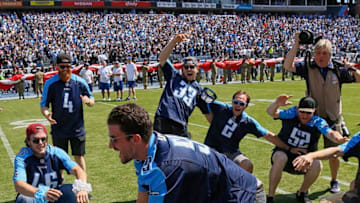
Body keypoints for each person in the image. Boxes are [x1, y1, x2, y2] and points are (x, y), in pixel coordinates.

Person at [107, 103, 266, 203]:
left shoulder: (164, 167)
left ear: (135, 139)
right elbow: (144, 194)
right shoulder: (145, 152)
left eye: (114, 139)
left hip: (246, 196)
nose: (110, 145)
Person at [284, 33, 360, 193]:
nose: (320, 56)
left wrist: (351, 69)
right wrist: (296, 43)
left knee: (334, 154)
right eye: (318, 53)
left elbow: (359, 79)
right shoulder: (308, 67)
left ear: (330, 55)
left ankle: (334, 180)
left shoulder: (338, 70)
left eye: (324, 53)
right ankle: (305, 187)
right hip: (313, 117)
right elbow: (288, 65)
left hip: (333, 118)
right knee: (309, 151)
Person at [266, 94, 348, 203]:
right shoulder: (291, 114)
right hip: (285, 153)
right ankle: (270, 196)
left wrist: (339, 139)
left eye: (308, 112)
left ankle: (302, 192)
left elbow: (330, 133)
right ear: (297, 109)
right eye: (302, 111)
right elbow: (271, 112)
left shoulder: (317, 121)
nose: (304, 115)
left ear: (314, 111)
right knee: (280, 157)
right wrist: (276, 104)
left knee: (317, 164)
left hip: (304, 159)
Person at [204, 90, 301, 173]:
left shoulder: (247, 121)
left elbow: (269, 136)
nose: (238, 105)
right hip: (211, 149)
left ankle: (239, 191)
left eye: (241, 104)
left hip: (231, 152)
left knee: (247, 165)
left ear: (246, 106)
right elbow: (203, 100)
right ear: (232, 102)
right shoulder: (221, 108)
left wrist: (288, 148)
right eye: (235, 102)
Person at [41, 53, 95, 171]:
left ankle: (82, 183)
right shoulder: (50, 84)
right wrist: (47, 115)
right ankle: (60, 183)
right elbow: (44, 105)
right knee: (59, 158)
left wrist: (88, 101)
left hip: (77, 127)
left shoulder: (79, 82)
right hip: (59, 127)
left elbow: (92, 100)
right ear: (57, 67)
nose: (65, 70)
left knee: (79, 156)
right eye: (62, 67)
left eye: (68, 67)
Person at [13, 123, 91, 203]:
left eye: (43, 139)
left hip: (55, 193)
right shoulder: (22, 158)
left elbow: (78, 170)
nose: (40, 143)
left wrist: (81, 187)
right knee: (24, 199)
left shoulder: (56, 152)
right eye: (36, 140)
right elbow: (19, 185)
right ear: (28, 141)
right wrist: (41, 193)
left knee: (73, 192)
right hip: (34, 195)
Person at [155, 33, 210, 138]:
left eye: (192, 67)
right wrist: (174, 41)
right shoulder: (174, 76)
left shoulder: (199, 90)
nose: (189, 69)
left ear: (197, 70)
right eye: (186, 67)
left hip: (180, 126)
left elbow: (208, 113)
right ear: (182, 69)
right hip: (163, 119)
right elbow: (162, 58)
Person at [293, 131, 360, 202]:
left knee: (353, 189)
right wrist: (311, 156)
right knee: (354, 187)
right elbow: (337, 151)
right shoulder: (358, 138)